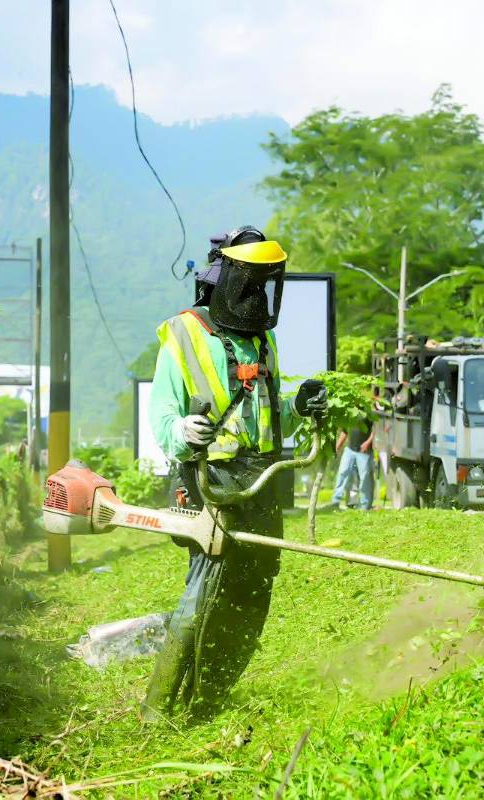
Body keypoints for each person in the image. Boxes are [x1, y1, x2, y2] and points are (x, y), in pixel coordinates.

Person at [142, 225, 327, 719]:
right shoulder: (184, 333)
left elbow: (266, 415)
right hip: (212, 481)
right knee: (205, 588)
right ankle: (158, 708)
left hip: (262, 479)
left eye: (263, 284)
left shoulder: (263, 341)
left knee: (252, 590)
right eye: (248, 282)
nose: (256, 294)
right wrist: (184, 430)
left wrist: (298, 407)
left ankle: (210, 696)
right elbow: (163, 416)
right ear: (223, 279)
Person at [330, 420, 375, 510]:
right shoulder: (350, 415)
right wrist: (337, 447)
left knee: (364, 478)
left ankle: (365, 505)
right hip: (349, 450)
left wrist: (367, 443)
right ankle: (335, 501)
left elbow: (375, 431)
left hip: (364, 451)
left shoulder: (368, 414)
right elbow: (344, 432)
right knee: (342, 473)